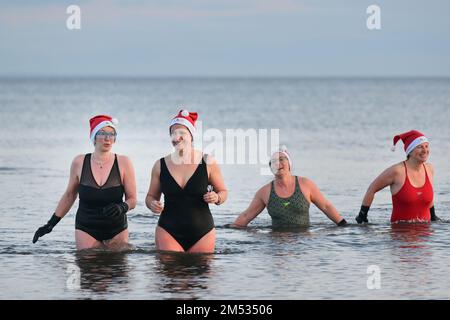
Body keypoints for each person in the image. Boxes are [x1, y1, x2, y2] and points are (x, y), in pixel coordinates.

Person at [33, 115, 137, 250]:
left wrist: (122, 207)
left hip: (116, 228)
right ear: (94, 137)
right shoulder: (79, 162)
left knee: (116, 267)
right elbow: (69, 195)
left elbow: (133, 199)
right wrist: (50, 224)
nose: (107, 138)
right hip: (86, 227)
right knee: (88, 264)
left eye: (112, 134)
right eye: (102, 133)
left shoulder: (124, 162)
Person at [146, 109, 228, 253]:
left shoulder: (208, 161)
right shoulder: (160, 165)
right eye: (173, 133)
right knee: (170, 272)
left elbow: (223, 192)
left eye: (182, 133)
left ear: (191, 136)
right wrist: (152, 204)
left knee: (202, 274)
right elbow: (150, 197)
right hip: (168, 230)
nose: (177, 137)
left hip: (203, 232)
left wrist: (217, 197)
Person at [232, 146, 347, 228]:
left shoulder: (305, 184)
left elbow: (326, 206)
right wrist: (231, 228)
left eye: (281, 159)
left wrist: (343, 224)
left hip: (303, 240)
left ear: (289, 164)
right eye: (273, 162)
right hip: (276, 241)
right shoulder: (264, 192)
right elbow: (246, 216)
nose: (278, 164)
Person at [356, 130, 439, 224]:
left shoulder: (429, 169)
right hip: (400, 233)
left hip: (426, 236)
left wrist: (433, 216)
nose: (425, 150)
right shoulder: (397, 171)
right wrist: (362, 215)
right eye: (419, 147)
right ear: (410, 151)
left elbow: (427, 197)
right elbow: (372, 188)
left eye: (426, 146)